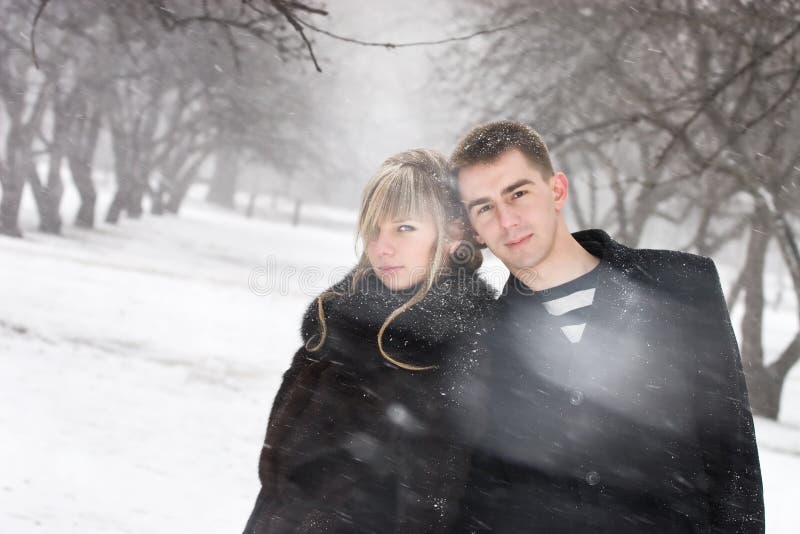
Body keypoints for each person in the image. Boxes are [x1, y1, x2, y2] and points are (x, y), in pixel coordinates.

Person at [449, 120, 764, 533]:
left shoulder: (682, 285)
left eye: (519, 193)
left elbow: (733, 466)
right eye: (485, 207)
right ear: (475, 229)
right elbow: (480, 503)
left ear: (557, 190)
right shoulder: (482, 338)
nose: (507, 220)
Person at [242, 149, 496, 533]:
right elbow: (280, 485)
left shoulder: (472, 349)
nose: (382, 247)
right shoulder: (336, 325)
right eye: (374, 229)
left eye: (404, 228)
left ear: (454, 233)